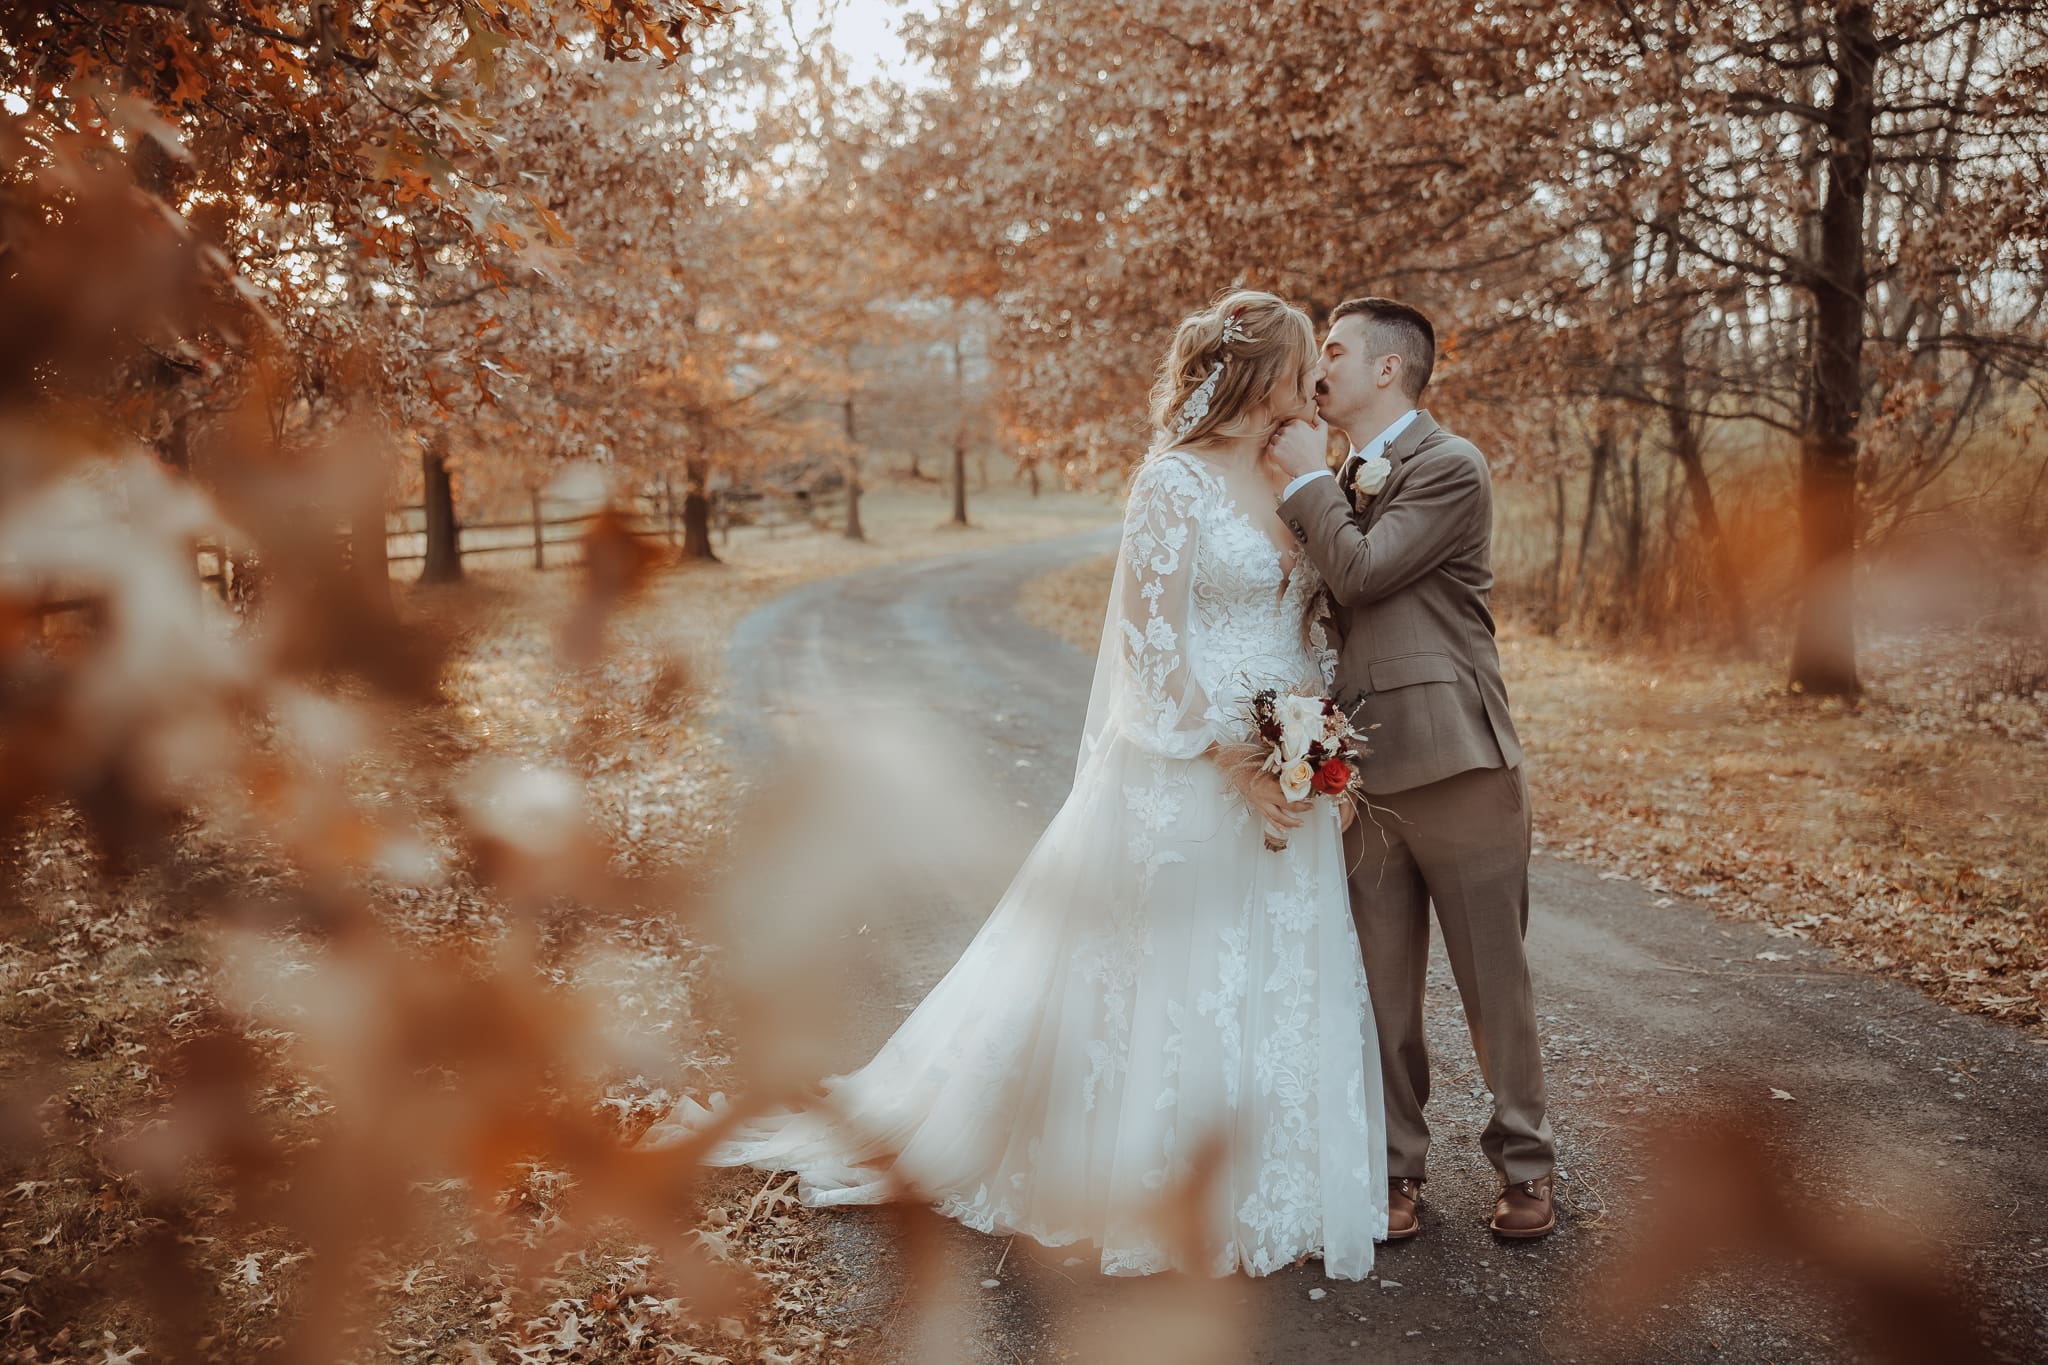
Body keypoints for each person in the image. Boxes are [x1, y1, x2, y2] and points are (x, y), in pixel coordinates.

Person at [640, 289, 1389, 1278]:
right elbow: (1149, 650)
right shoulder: (1170, 484)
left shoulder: (1299, 475)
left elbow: (1310, 626)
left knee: (1274, 974)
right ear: (1262, 379)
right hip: (1190, 768)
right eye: (1301, 369)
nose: (1315, 385)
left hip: (1291, 764)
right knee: (1180, 974)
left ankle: (1271, 1181)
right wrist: (1235, 760)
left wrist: (1314, 745)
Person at [1263, 296, 1557, 1241]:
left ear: (1388, 368)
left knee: (1493, 982)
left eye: (1335, 350)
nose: (1318, 368)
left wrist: (1310, 480)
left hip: (1460, 760)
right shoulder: (1339, 476)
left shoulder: (1449, 464)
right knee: (1380, 990)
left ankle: (1526, 1162)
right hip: (1360, 776)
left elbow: (1365, 570)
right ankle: (1396, 1169)